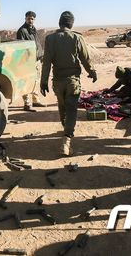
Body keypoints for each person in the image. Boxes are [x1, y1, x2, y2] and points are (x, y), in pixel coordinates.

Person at [41, 11, 97, 156]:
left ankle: (66, 127)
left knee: (62, 105)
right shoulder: (76, 37)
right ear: (71, 24)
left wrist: (43, 82)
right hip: (72, 80)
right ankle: (67, 139)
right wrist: (92, 72)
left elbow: (46, 62)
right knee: (71, 109)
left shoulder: (50, 38)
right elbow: (85, 59)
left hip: (58, 82)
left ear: (60, 23)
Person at [16, 11, 45, 111]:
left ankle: (36, 100)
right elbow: (21, 48)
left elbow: (37, 44)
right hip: (27, 62)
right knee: (26, 82)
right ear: (25, 18)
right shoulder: (22, 31)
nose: (30, 20)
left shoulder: (33, 29)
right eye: (29, 18)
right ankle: (27, 104)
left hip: (36, 60)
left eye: (32, 19)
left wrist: (41, 56)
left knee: (35, 81)